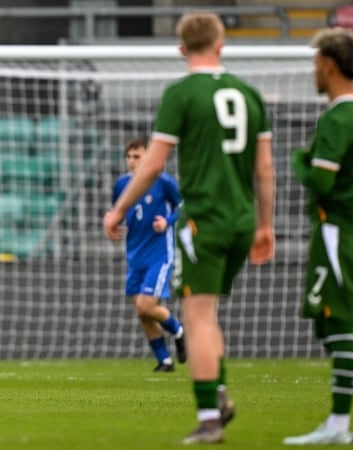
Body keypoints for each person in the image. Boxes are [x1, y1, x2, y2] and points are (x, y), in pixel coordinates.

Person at [102, 12, 275, 444]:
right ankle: (217, 390)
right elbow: (265, 168)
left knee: (197, 319)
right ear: (221, 45)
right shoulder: (249, 94)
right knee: (206, 318)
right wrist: (266, 225)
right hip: (242, 220)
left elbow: (155, 164)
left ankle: (209, 419)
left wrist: (118, 209)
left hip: (205, 221)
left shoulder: (181, 94)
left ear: (182, 50)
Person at [282, 28, 353, 446]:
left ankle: (337, 424)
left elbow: (322, 183)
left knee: (338, 322)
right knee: (330, 325)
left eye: (315, 61)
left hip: (336, 230)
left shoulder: (338, 117)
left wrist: (301, 159)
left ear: (329, 64)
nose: (314, 69)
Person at [112, 137, 185, 372]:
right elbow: (118, 211)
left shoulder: (164, 182)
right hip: (135, 256)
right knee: (142, 313)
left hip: (159, 255)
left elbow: (185, 206)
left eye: (137, 157)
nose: (132, 162)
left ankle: (178, 330)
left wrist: (168, 221)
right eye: (129, 157)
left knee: (146, 306)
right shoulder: (122, 184)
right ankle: (164, 360)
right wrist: (114, 224)